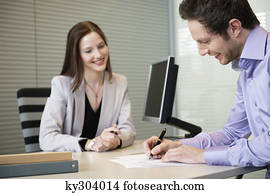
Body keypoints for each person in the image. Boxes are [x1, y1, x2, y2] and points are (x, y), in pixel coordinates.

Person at [144, 0, 270, 178]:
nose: (201, 52)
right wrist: (181, 146)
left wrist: (202, 156)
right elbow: (233, 132)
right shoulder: (246, 73)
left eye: (205, 41)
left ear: (234, 27)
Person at [40, 21, 135, 152]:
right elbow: (46, 138)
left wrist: (115, 140)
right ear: (77, 56)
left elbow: (128, 130)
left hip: (106, 162)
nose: (98, 55)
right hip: (74, 164)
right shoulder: (61, 85)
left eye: (101, 46)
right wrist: (90, 143)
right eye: (88, 51)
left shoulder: (120, 83)